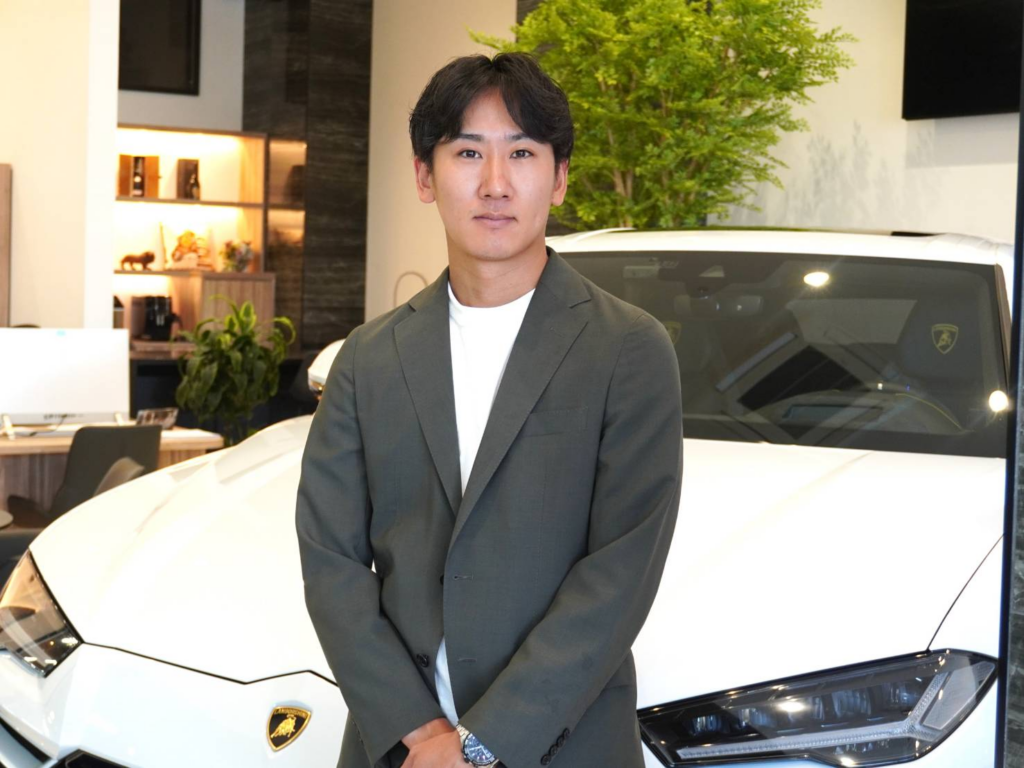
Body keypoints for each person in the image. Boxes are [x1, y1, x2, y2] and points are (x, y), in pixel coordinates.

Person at [295, 52, 683, 768]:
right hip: (402, 749)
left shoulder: (628, 349)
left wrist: (480, 744)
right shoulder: (368, 357)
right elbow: (331, 561)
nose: (496, 183)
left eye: (523, 153)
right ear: (425, 175)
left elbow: (619, 573)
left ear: (559, 178)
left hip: (563, 744)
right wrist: (420, 733)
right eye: (468, 152)